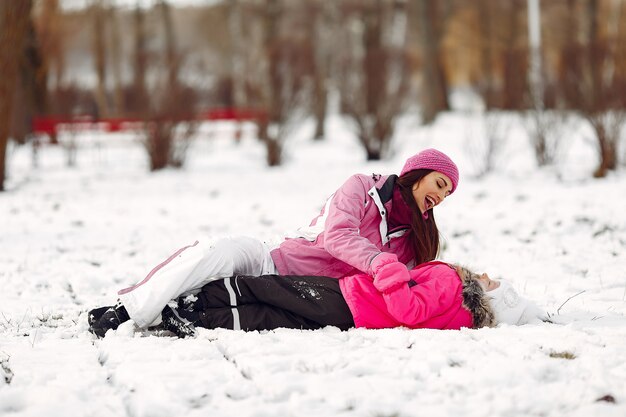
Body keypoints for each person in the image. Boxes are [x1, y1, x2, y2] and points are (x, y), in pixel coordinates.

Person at [89, 148, 461, 333]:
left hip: (313, 295)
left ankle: (175, 310)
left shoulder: (414, 242)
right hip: (275, 261)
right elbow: (337, 235)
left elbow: (411, 287)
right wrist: (379, 261)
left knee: (217, 295)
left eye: (447, 195)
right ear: (416, 173)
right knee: (217, 252)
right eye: (440, 185)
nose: (441, 197)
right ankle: (129, 311)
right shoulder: (363, 188)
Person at [89, 260, 547, 337]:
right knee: (267, 315)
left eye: (497, 282)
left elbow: (406, 306)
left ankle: (188, 302)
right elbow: (415, 316)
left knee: (262, 287)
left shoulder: (451, 278)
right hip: (355, 320)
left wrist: (387, 267)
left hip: (350, 296)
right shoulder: (462, 322)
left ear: (491, 294)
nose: (492, 275)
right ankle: (195, 316)